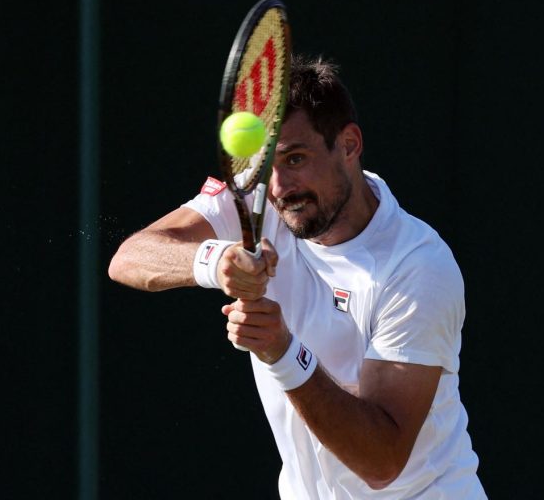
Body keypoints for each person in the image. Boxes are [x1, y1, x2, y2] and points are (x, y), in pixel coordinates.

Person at [108, 55, 487, 499]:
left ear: (348, 144)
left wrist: (283, 351)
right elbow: (130, 258)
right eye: (269, 163)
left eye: (296, 158)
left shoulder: (419, 268)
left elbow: (382, 462)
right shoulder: (259, 193)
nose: (278, 186)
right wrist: (218, 261)